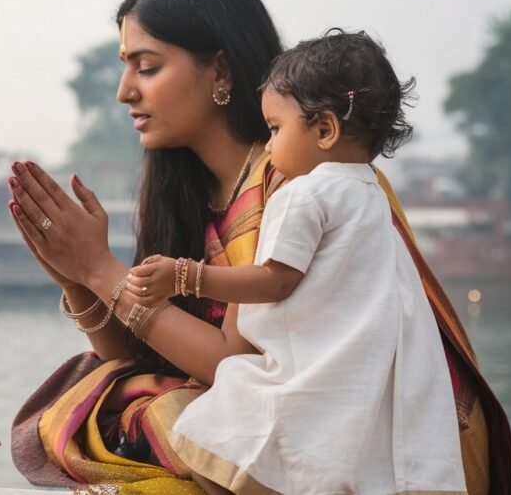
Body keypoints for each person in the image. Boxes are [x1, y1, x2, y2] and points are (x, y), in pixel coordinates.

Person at [7, 0, 511, 495]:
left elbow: (237, 364)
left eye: (147, 67)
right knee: (113, 391)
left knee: (162, 415)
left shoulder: (310, 182)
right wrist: (76, 278)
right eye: (124, 67)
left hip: (330, 430)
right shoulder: (188, 198)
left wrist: (99, 269)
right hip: (254, 421)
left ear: (219, 71)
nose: (123, 92)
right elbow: (139, 359)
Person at [124, 30, 465, 494]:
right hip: (365, 367)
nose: (269, 147)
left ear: (324, 129)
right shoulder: (370, 192)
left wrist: (183, 276)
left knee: (207, 432)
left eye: (275, 129)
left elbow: (276, 281)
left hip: (314, 365)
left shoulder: (305, 191)